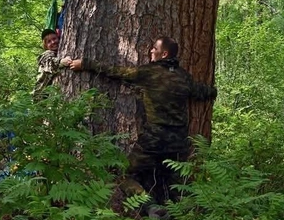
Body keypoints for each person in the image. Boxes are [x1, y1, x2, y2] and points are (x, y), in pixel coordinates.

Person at [68, 36, 217, 209]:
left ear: (164, 53)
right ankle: (183, 218)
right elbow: (202, 92)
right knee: (175, 184)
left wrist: (86, 63)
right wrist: (214, 91)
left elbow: (116, 71)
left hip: (154, 139)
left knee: (126, 176)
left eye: (155, 48)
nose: (151, 50)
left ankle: (150, 207)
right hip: (179, 141)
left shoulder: (149, 72)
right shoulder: (184, 77)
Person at [32, 29, 71, 100]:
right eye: (49, 42)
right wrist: (61, 62)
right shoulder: (46, 55)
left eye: (54, 38)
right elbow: (49, 64)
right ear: (46, 46)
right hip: (40, 97)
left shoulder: (58, 53)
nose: (53, 42)